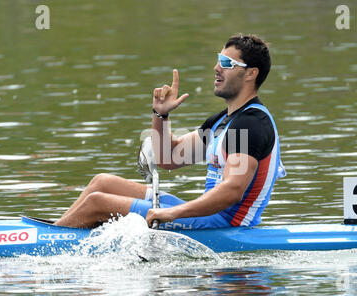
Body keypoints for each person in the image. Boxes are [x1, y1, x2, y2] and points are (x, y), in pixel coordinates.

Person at [54, 33, 285, 229]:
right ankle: (57, 230)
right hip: (207, 216)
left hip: (225, 224)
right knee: (102, 183)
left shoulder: (250, 124)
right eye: (218, 60)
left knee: (97, 202)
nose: (216, 68)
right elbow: (168, 158)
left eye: (226, 63)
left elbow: (232, 191)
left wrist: (173, 213)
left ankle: (49, 240)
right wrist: (161, 115)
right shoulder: (222, 122)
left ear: (251, 73)